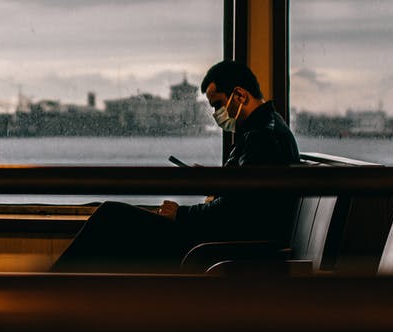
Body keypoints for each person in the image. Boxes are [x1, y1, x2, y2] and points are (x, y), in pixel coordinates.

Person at [50, 60, 299, 272]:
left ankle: (49, 290)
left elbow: (237, 211)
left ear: (240, 95)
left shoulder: (262, 137)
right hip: (225, 239)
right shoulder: (264, 129)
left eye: (218, 105)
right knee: (115, 222)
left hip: (224, 247)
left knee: (111, 217)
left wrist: (181, 214)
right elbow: (246, 194)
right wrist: (215, 180)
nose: (217, 114)